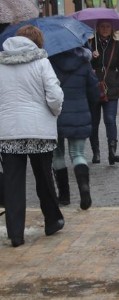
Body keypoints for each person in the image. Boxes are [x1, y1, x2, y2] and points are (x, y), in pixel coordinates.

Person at [0, 25, 65, 247]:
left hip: (8, 133)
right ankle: (52, 220)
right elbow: (55, 95)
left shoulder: (1, 64)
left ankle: (16, 234)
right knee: (44, 177)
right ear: (37, 42)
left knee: (13, 183)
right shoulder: (41, 62)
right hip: (39, 130)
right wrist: (53, 113)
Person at [49, 47, 99, 210]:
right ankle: (84, 188)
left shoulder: (49, 63)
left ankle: (64, 196)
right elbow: (94, 93)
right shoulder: (84, 64)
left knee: (57, 155)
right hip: (79, 114)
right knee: (78, 154)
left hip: (54, 116)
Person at [89, 21, 119, 165]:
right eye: (102, 26)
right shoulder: (90, 45)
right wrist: (91, 58)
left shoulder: (116, 46)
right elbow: (82, 64)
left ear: (111, 29)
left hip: (111, 89)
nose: (105, 29)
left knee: (110, 120)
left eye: (107, 26)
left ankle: (112, 152)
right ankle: (96, 152)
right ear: (97, 28)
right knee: (93, 122)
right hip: (93, 88)